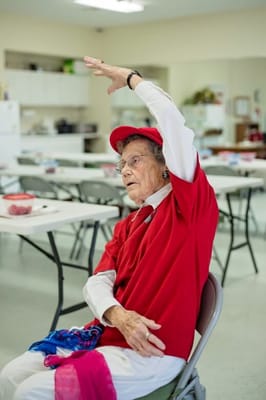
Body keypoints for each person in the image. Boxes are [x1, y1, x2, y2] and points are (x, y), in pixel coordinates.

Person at [0, 57, 219, 400]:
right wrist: (118, 314)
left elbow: (174, 124)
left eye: (135, 160)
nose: (125, 170)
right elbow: (97, 281)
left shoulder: (189, 208)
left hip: (151, 354)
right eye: (121, 164)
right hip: (112, 335)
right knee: (10, 376)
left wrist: (133, 80)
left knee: (31, 392)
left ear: (166, 166)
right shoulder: (131, 222)